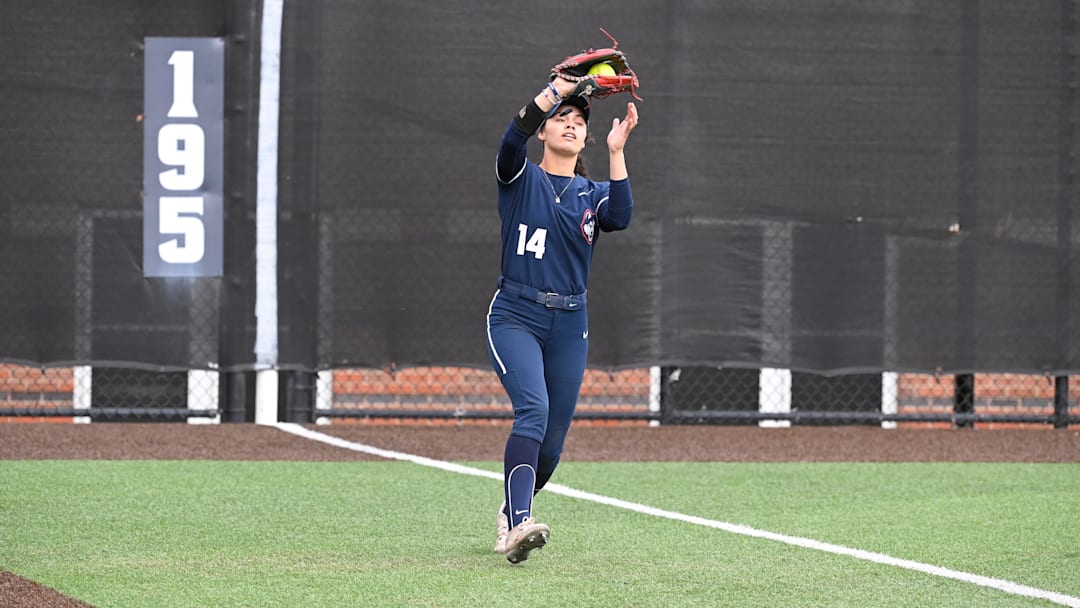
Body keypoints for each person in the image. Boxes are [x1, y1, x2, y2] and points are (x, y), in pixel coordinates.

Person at [485, 74, 639, 564]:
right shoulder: (520, 177)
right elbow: (512, 139)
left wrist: (617, 151)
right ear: (545, 132)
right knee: (533, 409)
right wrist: (551, 94)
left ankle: (512, 512)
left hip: (571, 323)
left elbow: (622, 216)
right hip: (515, 314)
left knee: (552, 444)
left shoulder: (591, 194)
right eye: (562, 119)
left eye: (578, 121)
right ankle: (518, 523)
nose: (571, 125)